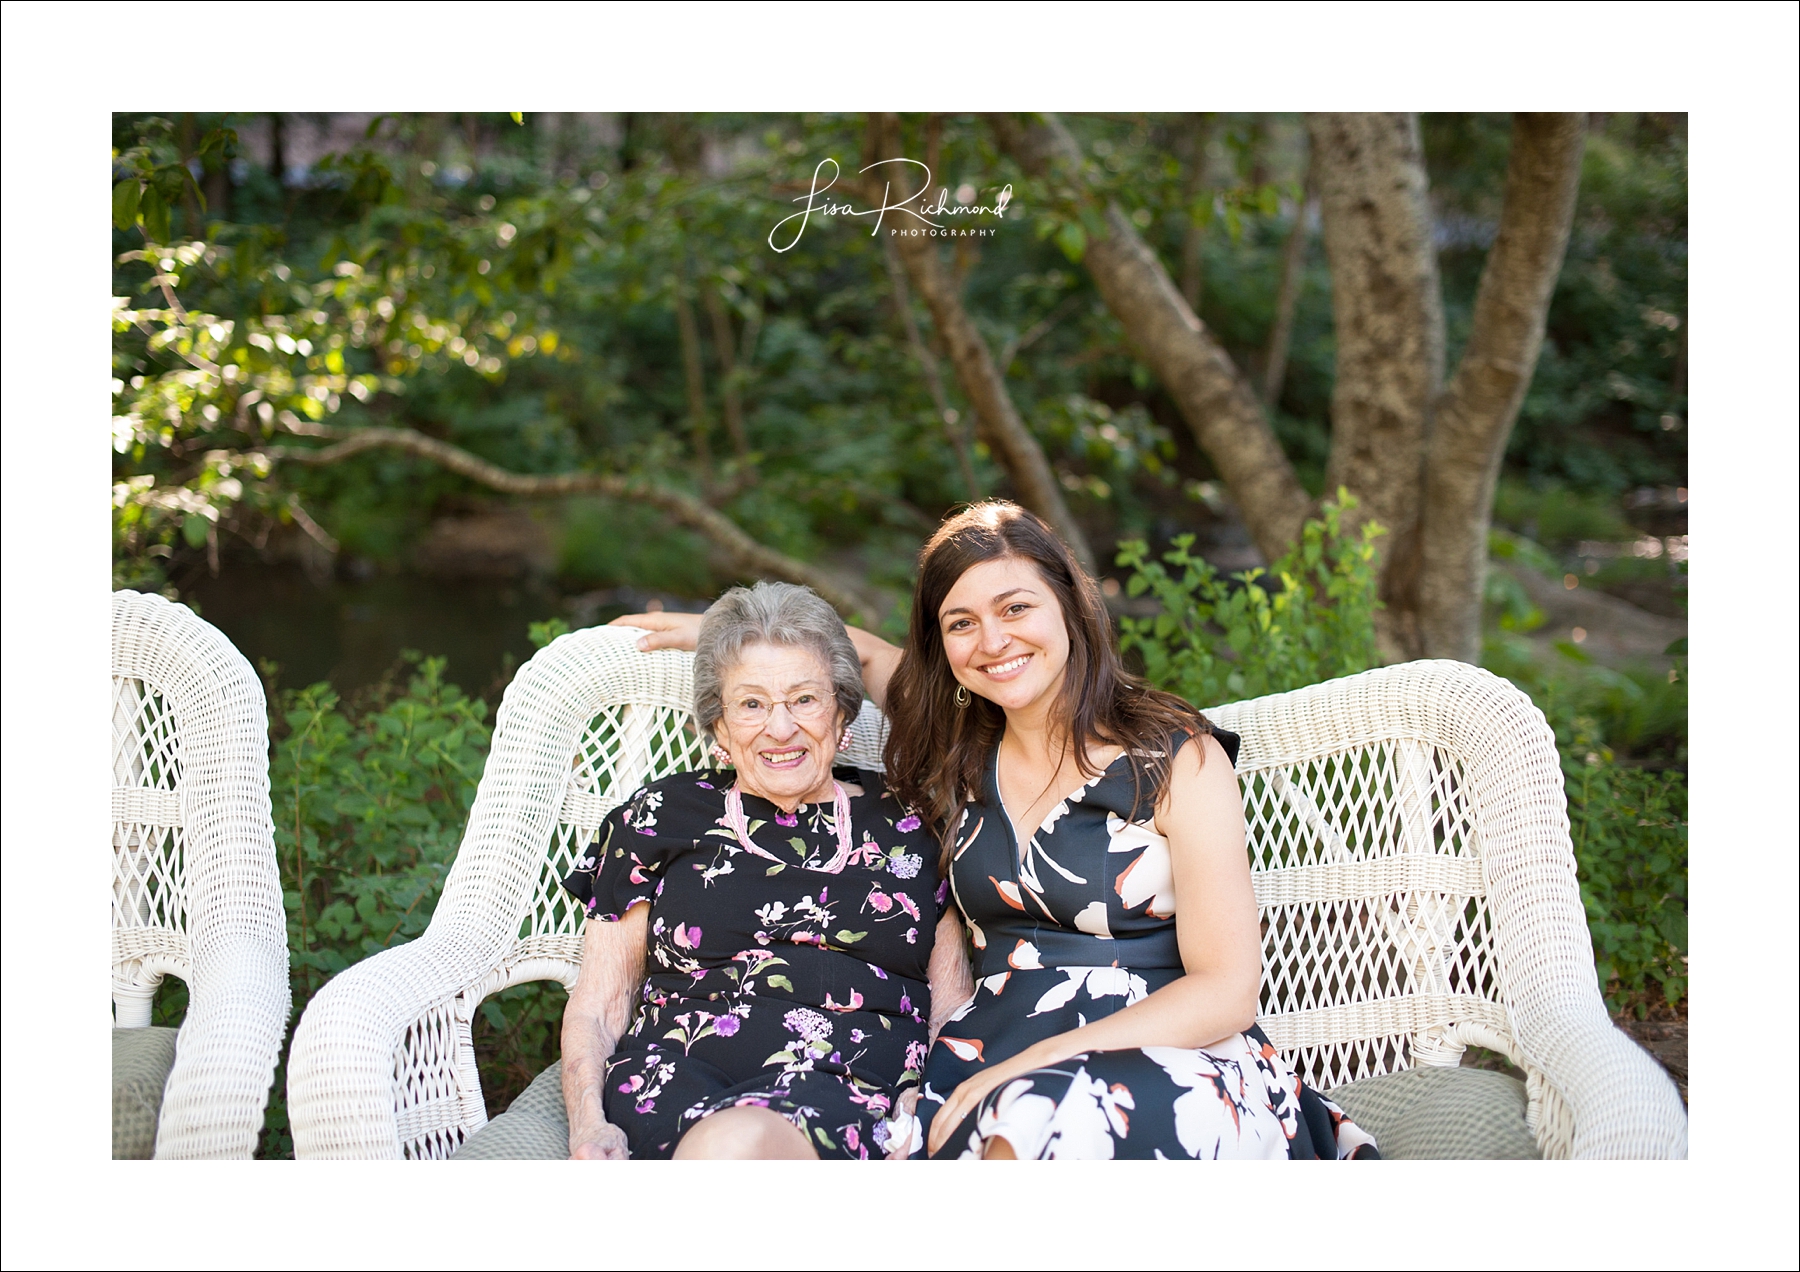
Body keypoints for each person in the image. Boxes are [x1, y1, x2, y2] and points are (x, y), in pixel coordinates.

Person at [620, 502, 1377, 1160]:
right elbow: (868, 653)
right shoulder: (956, 752)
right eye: (961, 623)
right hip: (986, 1055)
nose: (993, 641)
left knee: (1035, 1125)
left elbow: (1228, 989)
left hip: (1167, 1056)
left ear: (1071, 607)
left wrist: (1040, 1061)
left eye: (1016, 608)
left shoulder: (1176, 757)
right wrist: (721, 633)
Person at [563, 581, 969, 1160]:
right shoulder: (657, 818)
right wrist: (588, 1123)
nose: (780, 728)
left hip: (857, 1087)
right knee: (736, 1145)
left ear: (842, 712)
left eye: (804, 699)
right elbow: (599, 1005)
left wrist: (930, 1098)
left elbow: (950, 1004)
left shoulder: (915, 825)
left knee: (743, 1145)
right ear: (720, 727)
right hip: (673, 1080)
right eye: (751, 704)